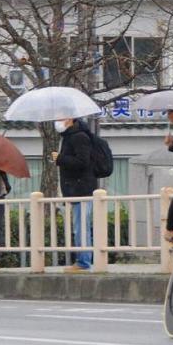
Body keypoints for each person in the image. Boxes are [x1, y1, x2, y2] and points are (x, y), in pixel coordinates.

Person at [51, 117, 97, 273]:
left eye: (60, 117)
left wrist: (60, 158)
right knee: (81, 226)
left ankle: (83, 262)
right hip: (77, 188)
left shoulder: (79, 137)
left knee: (81, 227)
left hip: (81, 189)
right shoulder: (71, 136)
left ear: (70, 119)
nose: (57, 121)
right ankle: (83, 260)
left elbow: (83, 162)